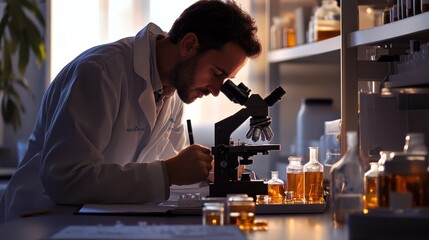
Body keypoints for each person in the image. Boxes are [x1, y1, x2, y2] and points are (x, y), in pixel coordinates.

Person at [0, 0, 261, 222]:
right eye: (217, 74)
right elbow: (66, 179)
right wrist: (169, 172)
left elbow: (167, 172)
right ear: (189, 45)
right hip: (42, 219)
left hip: (102, 220)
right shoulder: (100, 73)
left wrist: (210, 173)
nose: (216, 90)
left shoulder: (174, 93)